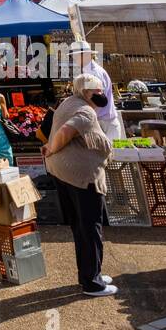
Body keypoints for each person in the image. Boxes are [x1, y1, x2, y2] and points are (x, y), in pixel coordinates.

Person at [43, 73, 116, 296]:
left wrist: (51, 151)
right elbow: (66, 132)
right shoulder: (85, 111)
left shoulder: (69, 102)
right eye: (97, 90)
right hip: (81, 177)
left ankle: (89, 273)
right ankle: (92, 283)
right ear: (86, 92)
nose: (101, 94)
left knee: (81, 227)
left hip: (63, 173)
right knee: (90, 227)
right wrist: (52, 148)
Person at [69, 39, 124, 141]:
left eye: (75, 55)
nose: (74, 58)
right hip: (103, 121)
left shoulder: (92, 73)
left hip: (103, 123)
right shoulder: (91, 70)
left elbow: (95, 100)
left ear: (84, 55)